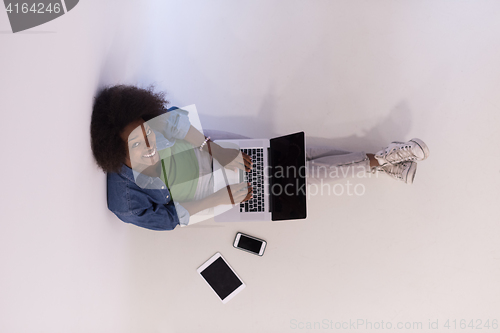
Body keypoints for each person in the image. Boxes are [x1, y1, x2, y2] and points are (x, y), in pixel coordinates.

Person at [90, 84, 430, 231]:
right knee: (303, 179)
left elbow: (176, 121)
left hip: (217, 154)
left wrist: (217, 150)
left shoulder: (147, 123)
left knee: (300, 158)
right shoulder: (126, 202)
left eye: (150, 134)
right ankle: (384, 160)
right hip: (219, 198)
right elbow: (168, 219)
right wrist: (220, 197)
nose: (152, 146)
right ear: (114, 153)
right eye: (137, 147)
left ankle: (383, 163)